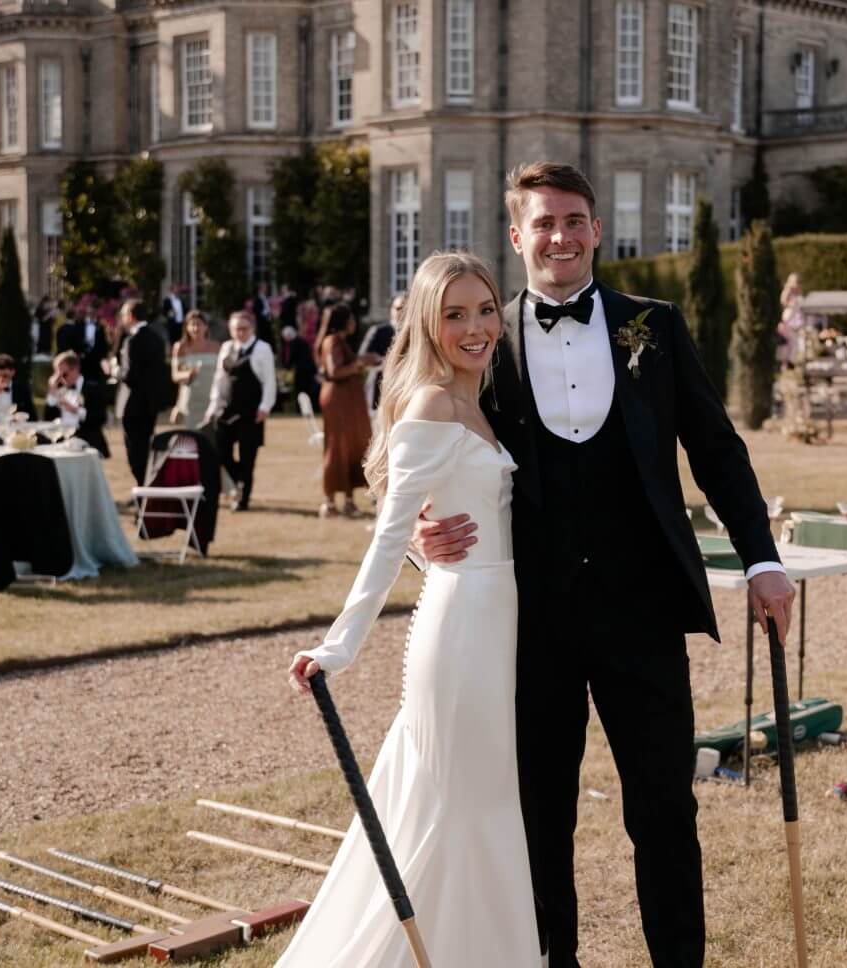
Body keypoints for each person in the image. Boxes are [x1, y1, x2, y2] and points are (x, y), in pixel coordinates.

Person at [414, 162, 795, 967]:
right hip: (529, 619)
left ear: (594, 229)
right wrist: (422, 530)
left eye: (573, 220)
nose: (559, 236)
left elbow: (716, 452)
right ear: (516, 235)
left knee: (663, 811)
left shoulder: (654, 325)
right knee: (538, 815)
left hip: (642, 611)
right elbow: (425, 452)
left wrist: (761, 559)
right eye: (543, 223)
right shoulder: (481, 339)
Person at [282, 252, 540, 967]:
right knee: (459, 809)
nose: (475, 328)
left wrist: (432, 548)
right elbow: (390, 536)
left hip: (500, 622)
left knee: (486, 806)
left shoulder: (482, 399)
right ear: (427, 323)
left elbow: (465, 517)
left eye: (484, 310)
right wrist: (338, 646)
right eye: (454, 314)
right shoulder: (431, 404)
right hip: (461, 631)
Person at [203, 310, 276, 512]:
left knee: (247, 457)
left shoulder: (262, 349)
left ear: (252, 328)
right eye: (236, 329)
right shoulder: (226, 347)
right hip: (226, 410)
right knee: (221, 452)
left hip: (250, 412)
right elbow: (219, 379)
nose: (240, 333)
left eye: (244, 329)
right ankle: (241, 481)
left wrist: (265, 406)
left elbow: (270, 381)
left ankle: (243, 498)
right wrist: (213, 406)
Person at [315, 303, 379, 518]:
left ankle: (349, 501)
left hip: (347, 400)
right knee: (337, 448)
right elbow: (335, 371)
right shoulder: (332, 341)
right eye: (350, 318)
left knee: (350, 448)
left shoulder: (341, 341)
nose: (353, 322)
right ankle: (329, 502)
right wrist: (361, 362)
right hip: (338, 401)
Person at [114, 299, 168, 485]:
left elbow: (130, 376)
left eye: (123, 315)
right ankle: (146, 488)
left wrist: (114, 371)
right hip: (150, 406)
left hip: (133, 406)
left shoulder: (132, 340)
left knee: (135, 454)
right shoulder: (157, 338)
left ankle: (143, 490)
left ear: (130, 316)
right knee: (146, 450)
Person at [43, 350, 110, 456]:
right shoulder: (59, 389)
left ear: (76, 369)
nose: (61, 378)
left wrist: (77, 411)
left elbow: (101, 417)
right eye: (58, 374)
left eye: (64, 374)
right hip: (62, 441)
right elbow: (48, 418)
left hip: (86, 440)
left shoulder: (92, 388)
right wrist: (52, 391)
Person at [170, 310, 220, 427]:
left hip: (211, 399)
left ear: (206, 327)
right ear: (186, 327)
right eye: (192, 325)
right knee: (190, 434)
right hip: (190, 400)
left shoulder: (216, 347)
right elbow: (175, 376)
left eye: (199, 324)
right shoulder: (180, 347)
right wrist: (188, 374)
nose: (195, 328)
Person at [359, 292, 403, 420]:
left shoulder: (417, 333)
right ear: (391, 309)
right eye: (398, 308)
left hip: (406, 390)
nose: (402, 312)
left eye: (407, 308)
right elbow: (363, 357)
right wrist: (383, 361)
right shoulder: (378, 331)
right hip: (380, 388)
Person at [56, 303, 110, 383]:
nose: (91, 313)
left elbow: (103, 344)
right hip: (81, 359)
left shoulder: (100, 326)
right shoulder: (79, 324)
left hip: (95, 360)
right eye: (89, 311)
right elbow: (74, 341)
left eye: (93, 311)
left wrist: (103, 358)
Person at [279, 324, 318, 406]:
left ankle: (301, 407)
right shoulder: (302, 341)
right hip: (308, 370)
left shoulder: (295, 343)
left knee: (301, 390)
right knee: (307, 390)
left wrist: (286, 368)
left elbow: (291, 357)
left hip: (302, 371)